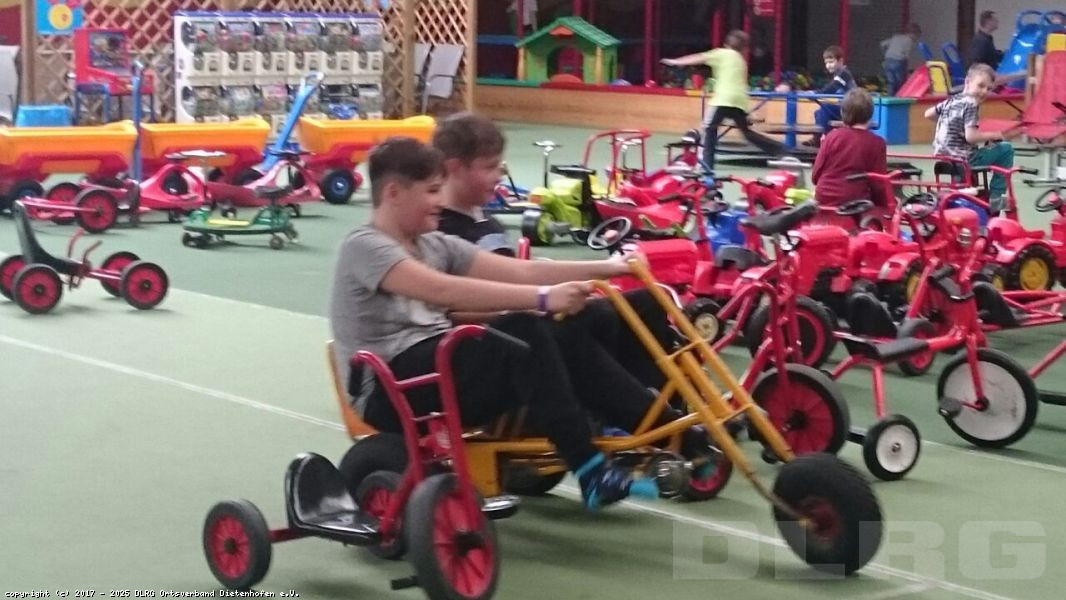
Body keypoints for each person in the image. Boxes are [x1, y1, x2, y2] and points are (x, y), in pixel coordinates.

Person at [329, 137, 710, 511]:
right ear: (394, 193)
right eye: (431, 191)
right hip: (389, 389)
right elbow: (441, 289)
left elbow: (521, 271)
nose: (440, 202)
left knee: (573, 322)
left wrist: (612, 267)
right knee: (524, 328)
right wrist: (542, 299)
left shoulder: (434, 245)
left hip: (437, 369)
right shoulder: (364, 245)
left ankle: (665, 431)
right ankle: (589, 467)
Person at [660, 30, 784, 171]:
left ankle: (706, 166)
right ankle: (781, 150)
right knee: (747, 134)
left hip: (722, 99)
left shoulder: (721, 53)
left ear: (726, 44)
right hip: (739, 101)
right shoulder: (741, 61)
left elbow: (698, 58)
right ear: (743, 48)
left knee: (709, 130)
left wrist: (675, 62)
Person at [924, 63, 1021, 203]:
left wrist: (951, 123)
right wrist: (998, 135)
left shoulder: (952, 100)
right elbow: (971, 137)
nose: (984, 92)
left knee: (987, 149)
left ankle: (970, 194)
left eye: (989, 89)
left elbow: (928, 114)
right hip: (964, 160)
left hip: (944, 157)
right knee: (1006, 149)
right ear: (967, 82)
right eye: (980, 86)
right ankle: (997, 198)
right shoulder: (971, 104)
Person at [812, 89, 889, 213]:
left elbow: (815, 176)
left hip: (823, 200)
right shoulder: (877, 143)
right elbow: (878, 184)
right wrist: (887, 205)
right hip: (855, 203)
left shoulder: (831, 136)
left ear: (842, 112)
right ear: (870, 113)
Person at [805, 45, 857, 148]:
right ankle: (819, 138)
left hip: (851, 108)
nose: (828, 66)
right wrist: (815, 93)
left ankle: (828, 140)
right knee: (819, 112)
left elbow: (832, 88)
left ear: (840, 61)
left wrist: (816, 93)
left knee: (825, 109)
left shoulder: (843, 74)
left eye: (831, 62)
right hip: (844, 107)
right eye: (826, 63)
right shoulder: (838, 74)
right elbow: (830, 88)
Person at [881, 23, 922, 95]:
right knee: (899, 81)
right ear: (913, 34)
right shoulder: (909, 40)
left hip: (888, 59)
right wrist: (907, 68)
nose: (916, 39)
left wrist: (886, 54)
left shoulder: (896, 37)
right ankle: (899, 96)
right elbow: (906, 55)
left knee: (890, 81)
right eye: (917, 37)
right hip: (898, 61)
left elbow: (882, 44)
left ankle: (890, 96)